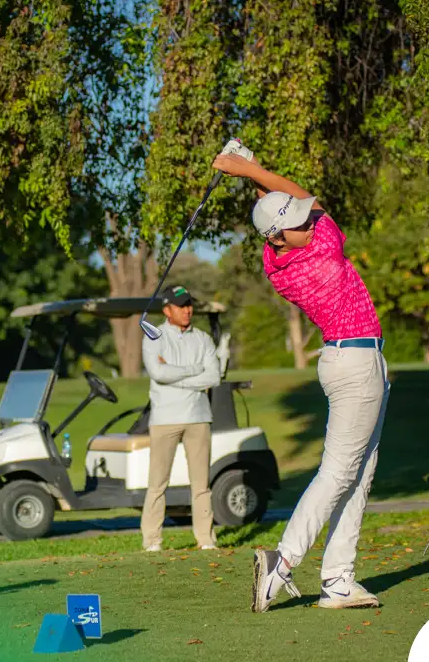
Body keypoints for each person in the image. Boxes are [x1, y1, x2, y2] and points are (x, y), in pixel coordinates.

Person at [211, 148, 388, 612]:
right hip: (356, 363)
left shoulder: (277, 262)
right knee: (340, 472)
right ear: (281, 235)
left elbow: (280, 206)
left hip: (347, 360)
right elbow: (304, 198)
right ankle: (282, 562)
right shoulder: (322, 248)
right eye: (299, 223)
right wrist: (249, 169)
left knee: (359, 472)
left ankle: (339, 579)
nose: (309, 222)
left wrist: (247, 171)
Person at [141, 285, 221, 552]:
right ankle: (152, 541)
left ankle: (206, 539)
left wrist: (178, 378)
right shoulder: (154, 336)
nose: (187, 310)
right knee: (157, 483)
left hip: (198, 417)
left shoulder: (203, 338)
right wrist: (195, 370)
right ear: (167, 310)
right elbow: (158, 373)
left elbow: (213, 377)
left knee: (201, 484)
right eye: (181, 305)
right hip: (165, 418)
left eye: (189, 304)